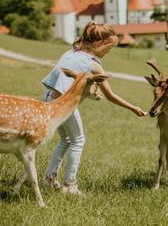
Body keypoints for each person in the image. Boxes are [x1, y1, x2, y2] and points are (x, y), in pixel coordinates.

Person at [41, 21, 146, 195]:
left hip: (47, 98)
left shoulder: (71, 52)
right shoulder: (93, 65)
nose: (109, 52)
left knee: (66, 139)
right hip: (62, 104)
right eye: (109, 48)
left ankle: (49, 179)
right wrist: (133, 108)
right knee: (78, 140)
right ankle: (69, 185)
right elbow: (111, 96)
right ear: (99, 44)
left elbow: (69, 83)